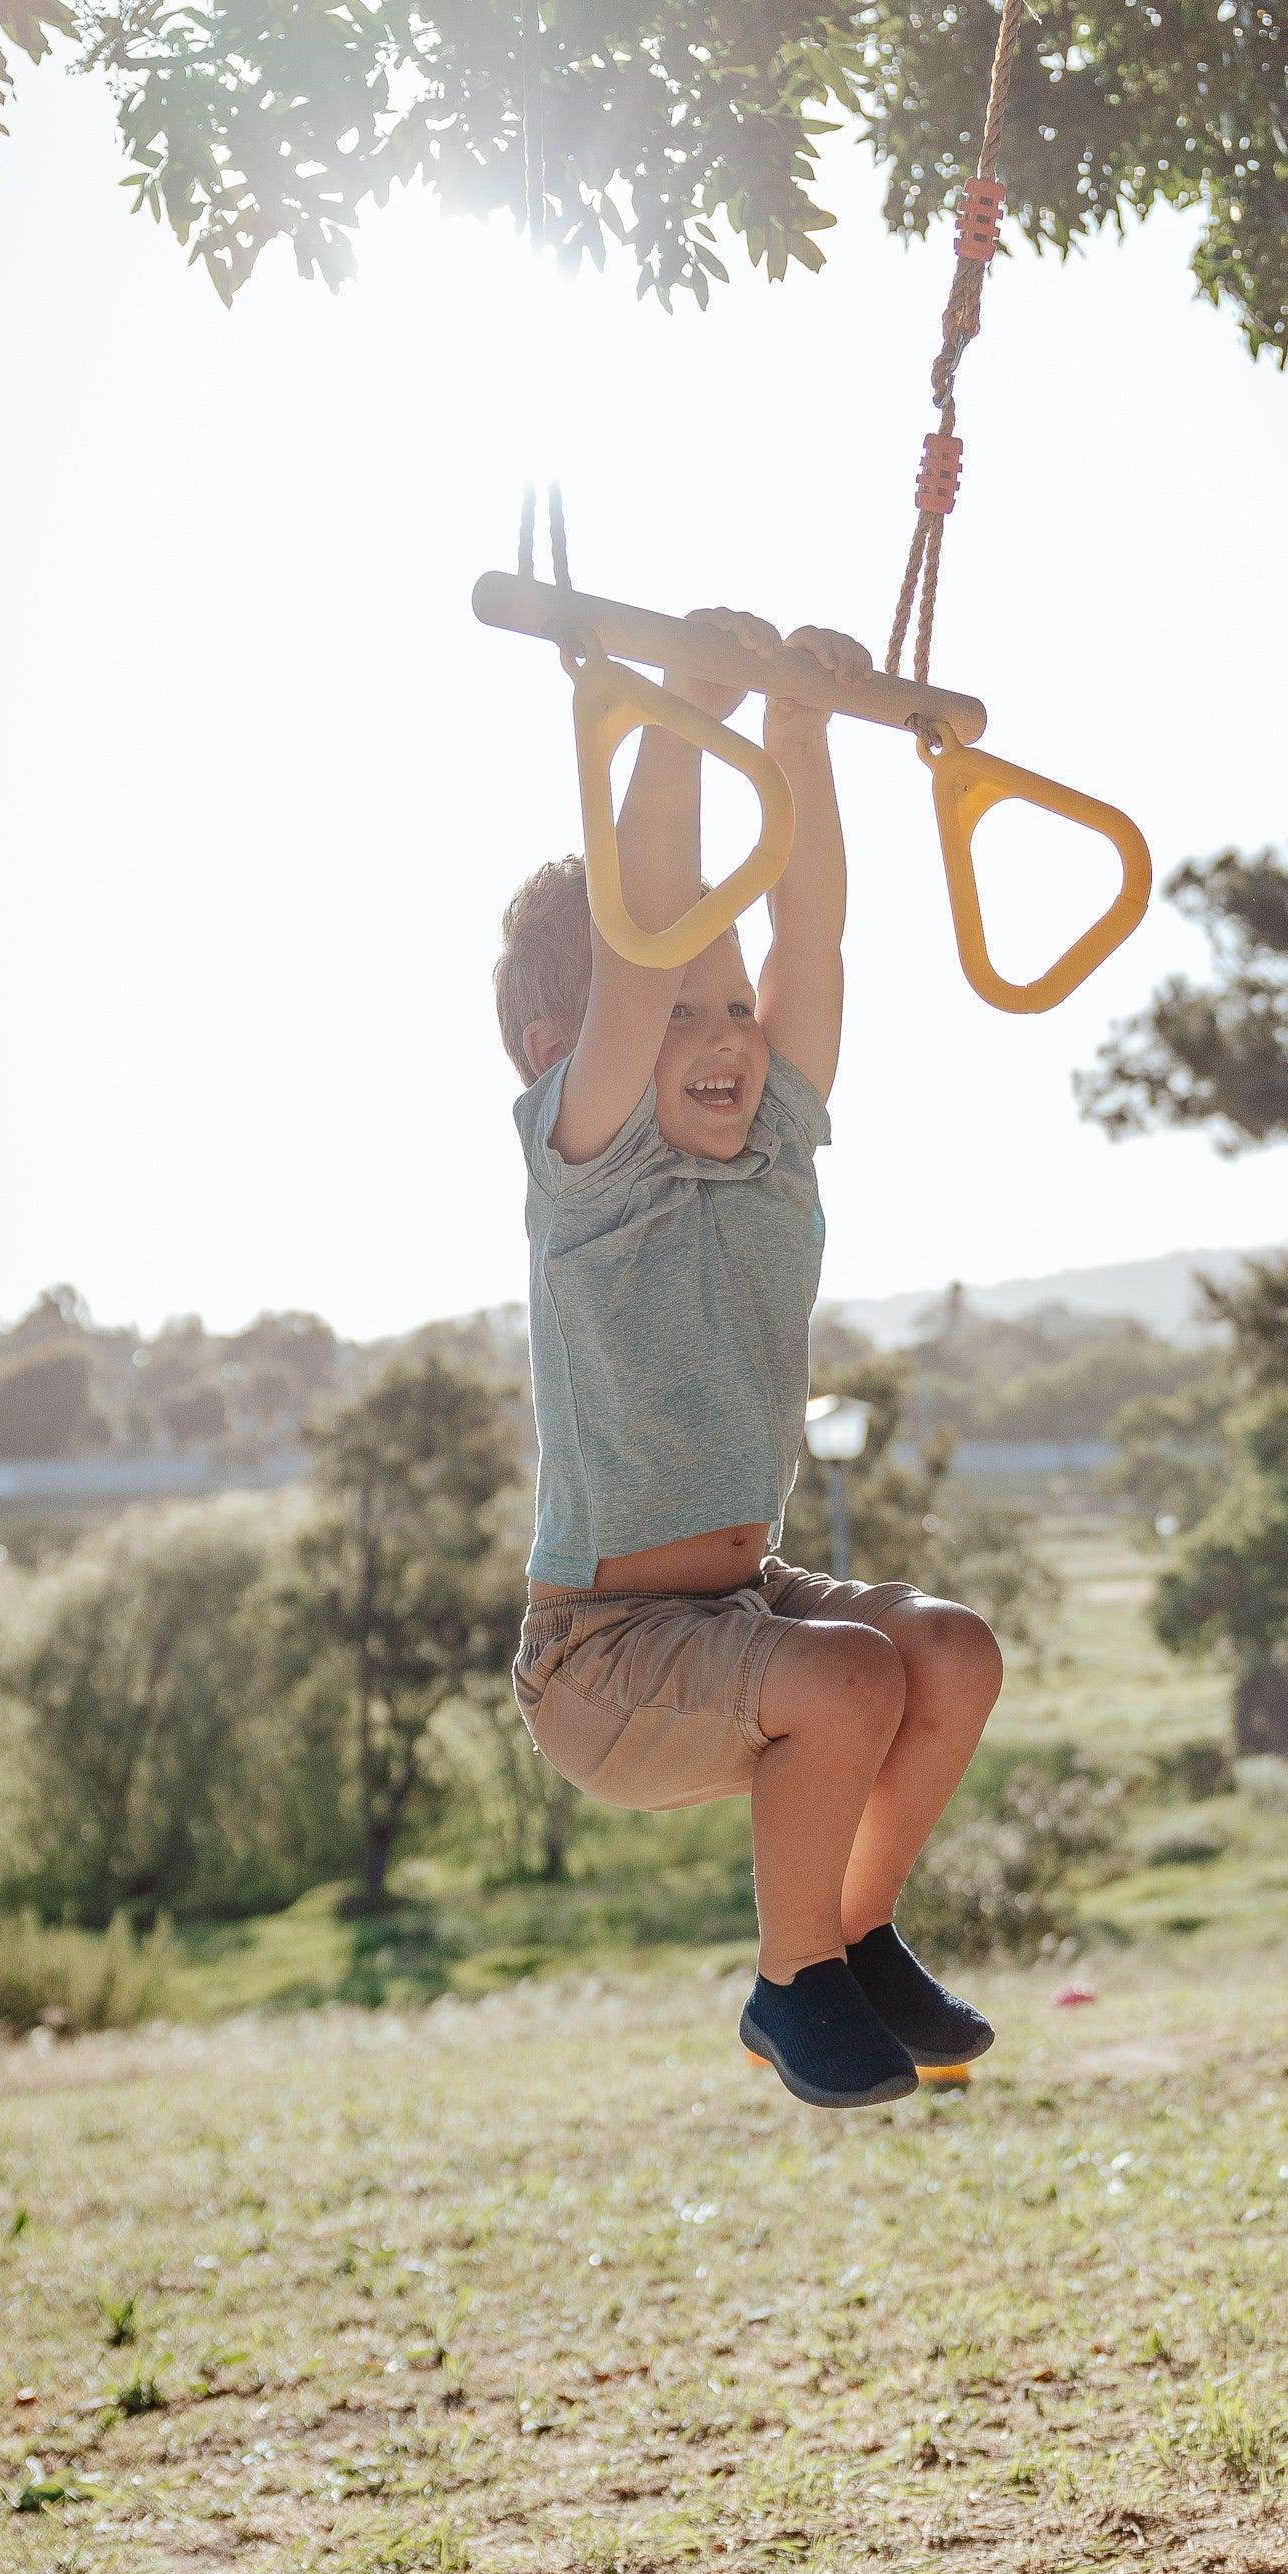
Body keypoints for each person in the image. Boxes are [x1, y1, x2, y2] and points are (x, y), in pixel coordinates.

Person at [495, 610, 1003, 2108]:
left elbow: (812, 936)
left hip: (740, 1601)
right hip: (602, 1658)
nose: (722, 1031)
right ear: (554, 1053)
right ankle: (791, 1989)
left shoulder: (770, 1149)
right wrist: (681, 714)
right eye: (676, 1008)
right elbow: (644, 954)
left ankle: (848, 1931)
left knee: (949, 1653)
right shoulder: (589, 1173)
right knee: (844, 1683)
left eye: (733, 1006)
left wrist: (797, 737)